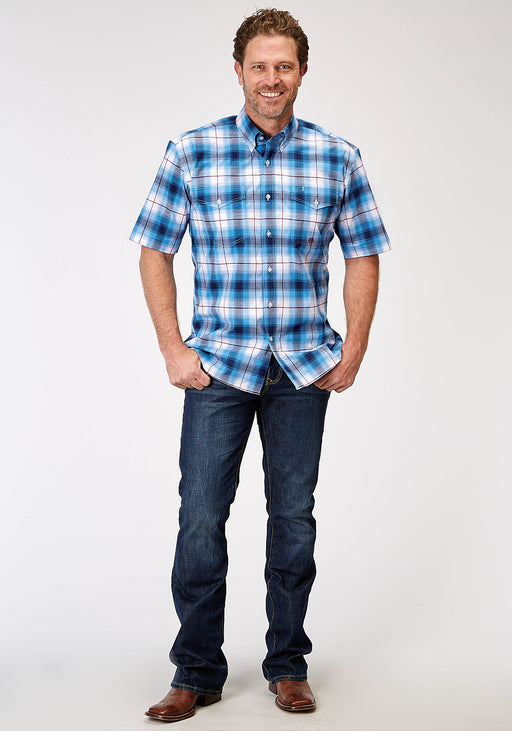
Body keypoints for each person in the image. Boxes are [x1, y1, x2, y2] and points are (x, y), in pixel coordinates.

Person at [129, 8, 390, 723]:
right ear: (238, 71)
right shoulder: (193, 151)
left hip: (303, 368)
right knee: (200, 519)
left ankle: (288, 666)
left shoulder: (338, 156)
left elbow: (363, 253)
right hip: (219, 367)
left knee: (294, 521)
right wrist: (173, 348)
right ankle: (196, 670)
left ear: (302, 71)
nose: (271, 78)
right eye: (259, 66)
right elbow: (154, 248)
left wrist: (353, 349)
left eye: (284, 66)